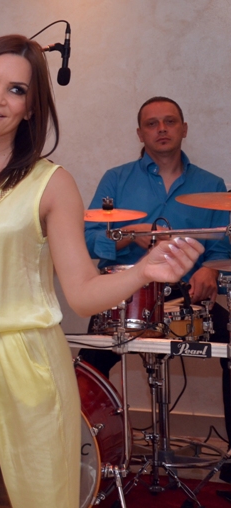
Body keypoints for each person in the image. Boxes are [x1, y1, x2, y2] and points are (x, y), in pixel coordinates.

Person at [0, 36, 203, 508]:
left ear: (31, 108)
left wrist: (143, 272)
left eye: (16, 90)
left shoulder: (50, 182)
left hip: (23, 363)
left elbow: (83, 292)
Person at [81, 96, 231, 476]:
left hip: (187, 297)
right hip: (124, 294)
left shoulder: (211, 185)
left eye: (169, 121)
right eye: (152, 123)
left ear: (184, 129)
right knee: (87, 369)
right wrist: (130, 236)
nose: (161, 129)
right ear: (139, 133)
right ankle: (90, 456)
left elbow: (222, 246)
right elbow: (88, 238)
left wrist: (209, 271)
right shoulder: (116, 179)